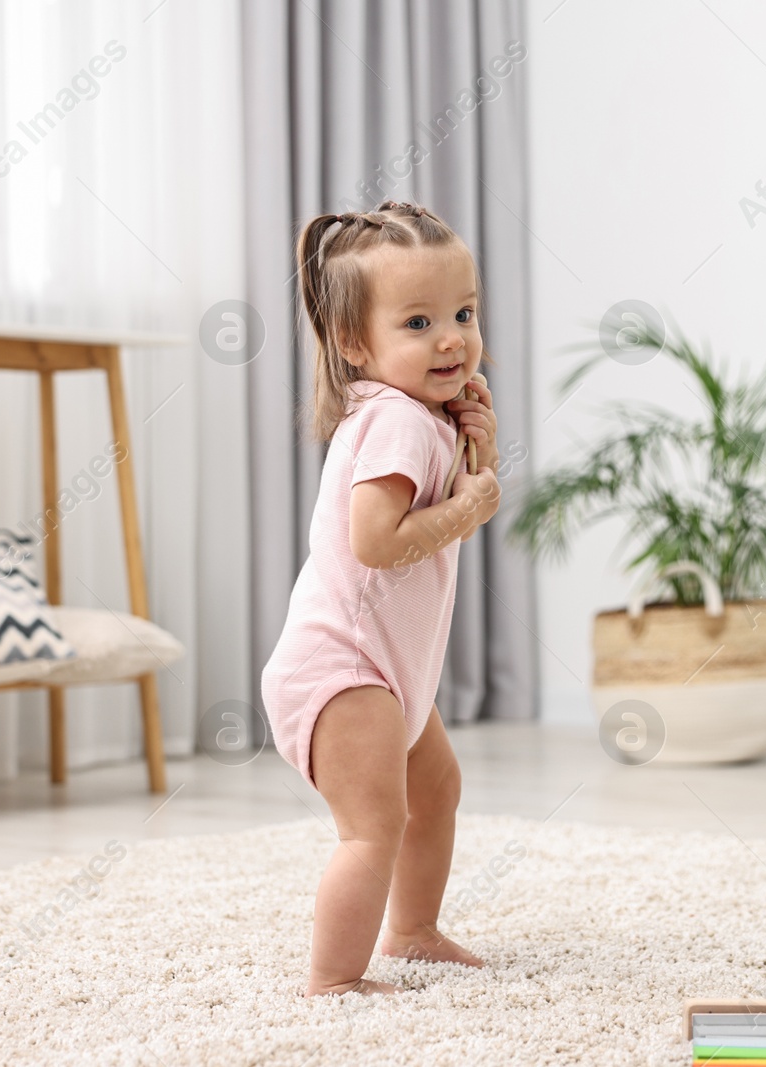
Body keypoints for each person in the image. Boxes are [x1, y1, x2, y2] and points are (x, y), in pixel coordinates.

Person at [260, 199, 502, 996]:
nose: (452, 338)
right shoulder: (396, 420)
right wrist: (467, 507)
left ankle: (414, 928)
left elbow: (435, 506)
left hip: (388, 667)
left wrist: (477, 450)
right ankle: (332, 978)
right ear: (356, 344)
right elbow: (376, 539)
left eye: (463, 312)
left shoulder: (418, 417)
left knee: (435, 791)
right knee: (374, 828)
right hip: (345, 667)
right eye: (420, 321)